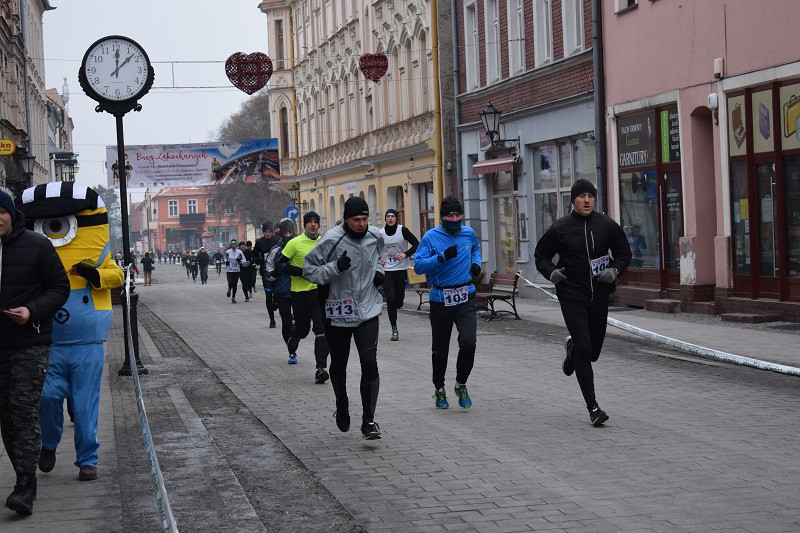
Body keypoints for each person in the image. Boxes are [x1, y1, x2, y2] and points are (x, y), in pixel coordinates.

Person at [534, 178, 631, 427]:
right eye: (581, 196)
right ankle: (593, 408)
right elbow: (541, 255)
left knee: (593, 352)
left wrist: (615, 270)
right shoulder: (560, 228)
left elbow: (624, 253)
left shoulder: (607, 225)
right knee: (586, 348)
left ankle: (572, 350)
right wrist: (551, 272)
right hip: (572, 295)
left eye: (590, 196)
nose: (587, 200)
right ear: (573, 200)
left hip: (599, 296)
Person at [0, 188, 71, 516]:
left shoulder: (37, 245)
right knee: (6, 415)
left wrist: (31, 310)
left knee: (23, 408)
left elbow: (60, 287)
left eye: (1, 212)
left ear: (12, 214)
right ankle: (23, 473)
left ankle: (25, 485)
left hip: (30, 341)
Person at [304, 197, 385, 439]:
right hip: (338, 311)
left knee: (369, 362)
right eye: (356, 220)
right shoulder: (331, 239)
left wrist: (379, 273)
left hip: (368, 309)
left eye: (364, 219)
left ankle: (369, 421)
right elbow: (310, 271)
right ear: (346, 219)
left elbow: (378, 259)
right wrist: (335, 267)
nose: (361, 224)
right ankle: (342, 404)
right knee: (339, 364)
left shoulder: (375, 236)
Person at [414, 196, 481, 410]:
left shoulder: (468, 233)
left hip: (465, 295)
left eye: (458, 214)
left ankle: (461, 383)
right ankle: (439, 389)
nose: (455, 218)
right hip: (441, 299)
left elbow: (476, 249)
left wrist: (476, 264)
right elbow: (418, 266)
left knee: (469, 343)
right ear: (442, 216)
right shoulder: (431, 237)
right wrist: (441, 257)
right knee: (440, 350)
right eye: (450, 215)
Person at [276, 211, 330, 381]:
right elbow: (280, 265)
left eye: (316, 221)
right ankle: (296, 335)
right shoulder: (295, 243)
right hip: (299, 293)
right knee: (304, 329)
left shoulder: (325, 243)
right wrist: (300, 272)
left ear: (319, 224)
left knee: (321, 329)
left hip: (319, 291)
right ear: (304, 224)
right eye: (310, 222)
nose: (313, 224)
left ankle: (321, 368)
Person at [379, 209, 419, 341]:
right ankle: (394, 328)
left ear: (396, 218)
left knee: (399, 301)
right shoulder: (380, 233)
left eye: (392, 216)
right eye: (388, 216)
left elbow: (416, 243)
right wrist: (380, 258)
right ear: (385, 219)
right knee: (390, 299)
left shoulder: (403, 230)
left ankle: (396, 306)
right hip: (387, 270)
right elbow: (373, 249)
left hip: (401, 269)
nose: (390, 218)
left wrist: (405, 254)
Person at [264, 220, 297, 360]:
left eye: (290, 233)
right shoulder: (275, 250)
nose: (288, 235)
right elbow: (268, 273)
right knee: (286, 321)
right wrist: (275, 274)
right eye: (285, 233)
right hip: (282, 292)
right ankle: (291, 351)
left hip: (299, 290)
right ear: (281, 233)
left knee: (301, 323)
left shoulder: (299, 246)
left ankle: (294, 340)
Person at [253, 221, 280, 328]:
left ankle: (276, 301)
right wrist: (258, 260)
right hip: (266, 273)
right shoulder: (259, 242)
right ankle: (272, 320)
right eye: (265, 232)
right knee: (268, 296)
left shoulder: (277, 241)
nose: (267, 234)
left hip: (277, 272)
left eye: (269, 232)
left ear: (273, 232)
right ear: (263, 232)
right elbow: (254, 255)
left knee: (278, 294)